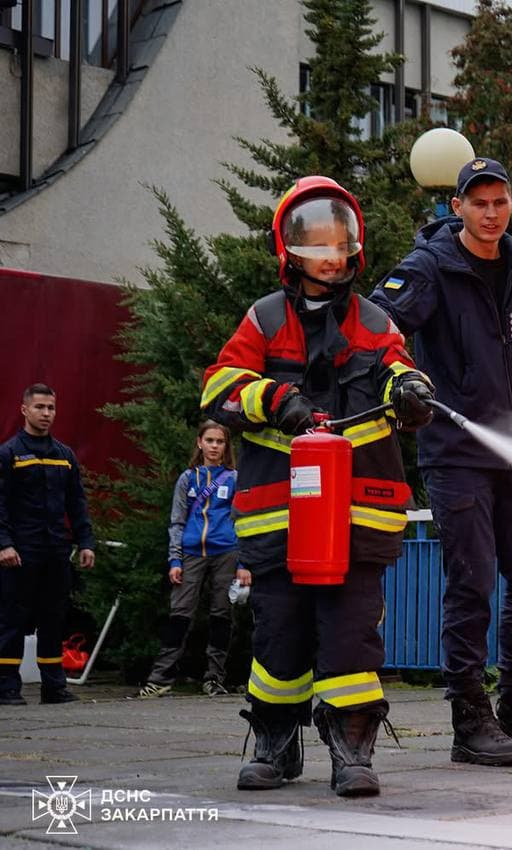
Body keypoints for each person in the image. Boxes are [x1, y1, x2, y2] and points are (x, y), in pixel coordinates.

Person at [201, 175, 435, 796]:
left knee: (351, 634)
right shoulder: (264, 319)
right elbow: (220, 387)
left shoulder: (375, 322)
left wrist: (410, 391)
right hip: (279, 514)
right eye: (318, 244)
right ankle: (276, 745)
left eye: (339, 243)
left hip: (358, 517)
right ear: (290, 250)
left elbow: (397, 369)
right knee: (279, 631)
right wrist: (275, 398)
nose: (331, 256)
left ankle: (352, 750)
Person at [370, 157, 512, 766]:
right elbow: (374, 326)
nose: (490, 214)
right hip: (457, 452)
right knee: (472, 583)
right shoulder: (429, 267)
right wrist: (400, 380)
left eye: (499, 202)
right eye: (478, 203)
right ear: (457, 206)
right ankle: (469, 719)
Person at [0, 383, 95, 706]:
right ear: (24, 410)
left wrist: (85, 542)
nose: (46, 413)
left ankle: (54, 687)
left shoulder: (64, 456)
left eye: (51, 408)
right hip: (20, 551)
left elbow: (77, 503)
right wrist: (4, 544)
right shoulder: (9, 454)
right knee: (12, 618)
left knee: (53, 617)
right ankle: (6, 686)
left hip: (56, 549)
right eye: (39, 407)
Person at [137, 421, 239, 698]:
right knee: (180, 614)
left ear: (226, 446)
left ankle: (214, 678)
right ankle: (160, 679)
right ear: (199, 443)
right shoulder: (187, 478)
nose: (214, 446)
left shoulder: (234, 479)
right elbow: (177, 521)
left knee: (222, 615)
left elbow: (241, 522)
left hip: (226, 552)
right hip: (191, 553)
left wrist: (243, 565)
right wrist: (175, 560)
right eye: (210, 440)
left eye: (220, 441)